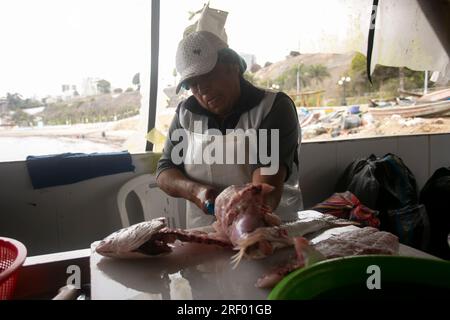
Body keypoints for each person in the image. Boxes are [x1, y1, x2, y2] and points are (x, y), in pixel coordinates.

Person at [156, 30, 303, 228]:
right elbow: (165, 170)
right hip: (207, 235)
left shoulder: (272, 108)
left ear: (232, 65)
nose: (202, 90)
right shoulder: (186, 114)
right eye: (193, 84)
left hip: (269, 231)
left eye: (207, 77)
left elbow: (265, 189)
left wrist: (237, 217)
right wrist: (198, 192)